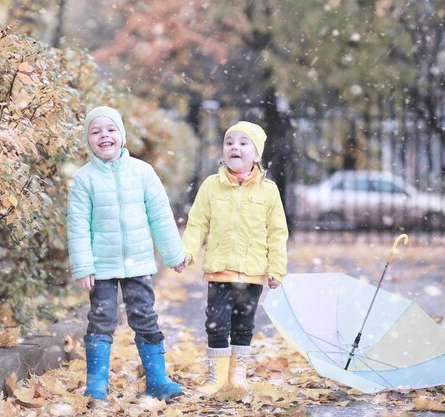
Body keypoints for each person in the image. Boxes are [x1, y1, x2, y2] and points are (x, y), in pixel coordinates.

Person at [66, 106, 186, 402]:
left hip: (138, 263)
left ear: (122, 135)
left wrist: (173, 255)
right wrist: (83, 267)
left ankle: (157, 380)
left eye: (110, 130)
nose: (104, 136)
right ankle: (96, 384)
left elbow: (160, 215)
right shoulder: (84, 180)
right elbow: (78, 226)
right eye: (95, 131)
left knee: (145, 317)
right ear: (88, 140)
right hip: (102, 268)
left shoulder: (143, 172)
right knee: (101, 319)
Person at [176, 121, 288, 394]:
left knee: (244, 325)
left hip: (253, 273)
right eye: (229, 142)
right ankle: (217, 377)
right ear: (224, 151)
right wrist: (187, 251)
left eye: (242, 142)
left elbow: (277, 232)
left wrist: (277, 269)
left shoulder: (268, 190)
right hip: (220, 269)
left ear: (256, 155)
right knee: (216, 322)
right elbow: (197, 223)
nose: (235, 147)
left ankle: (237, 376)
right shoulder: (212, 186)